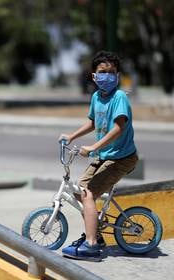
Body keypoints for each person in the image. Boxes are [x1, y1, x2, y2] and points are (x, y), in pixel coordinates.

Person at [59, 51, 138, 261]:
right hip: (104, 155)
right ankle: (97, 235)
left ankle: (92, 245)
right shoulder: (96, 97)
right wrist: (72, 136)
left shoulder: (119, 97)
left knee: (88, 194)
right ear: (94, 76)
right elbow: (93, 122)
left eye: (112, 72)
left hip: (121, 158)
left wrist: (93, 147)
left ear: (118, 76)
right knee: (80, 191)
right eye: (102, 72)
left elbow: (118, 128)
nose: (107, 76)